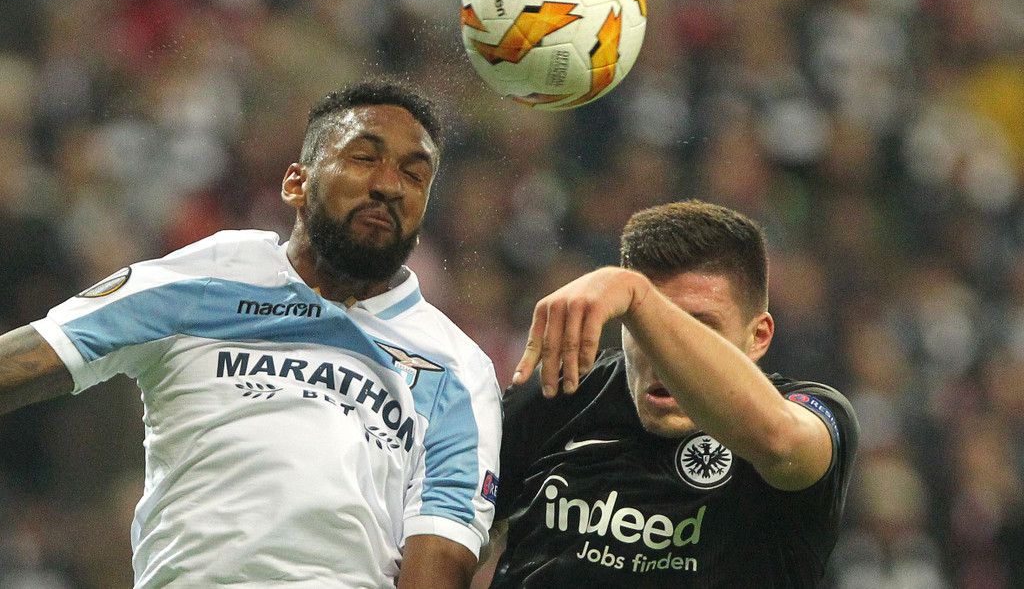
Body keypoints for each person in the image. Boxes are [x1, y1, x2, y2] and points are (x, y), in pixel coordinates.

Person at [0, 81, 502, 588]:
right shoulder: (206, 279)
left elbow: (439, 561)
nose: (389, 185)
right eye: (364, 158)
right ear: (296, 184)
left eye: (414, 174)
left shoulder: (456, 368)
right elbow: (33, 356)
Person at [490, 199, 859, 588]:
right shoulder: (559, 393)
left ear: (759, 336)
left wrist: (640, 298)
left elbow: (781, 441)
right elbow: (457, 530)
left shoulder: (814, 412)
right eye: (644, 326)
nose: (665, 356)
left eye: (697, 327)